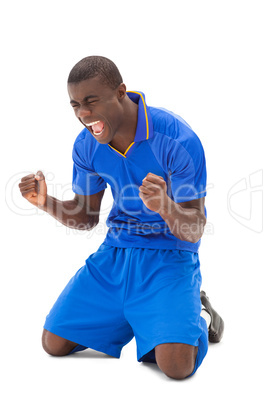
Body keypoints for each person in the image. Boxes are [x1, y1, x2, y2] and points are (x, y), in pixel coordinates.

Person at [19, 56, 224, 380]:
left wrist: (166, 206)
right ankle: (141, 315)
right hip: (115, 254)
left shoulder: (176, 139)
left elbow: (194, 229)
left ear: (120, 92)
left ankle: (196, 309)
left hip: (170, 257)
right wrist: (46, 203)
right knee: (54, 344)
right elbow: (85, 217)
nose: (83, 114)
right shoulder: (87, 145)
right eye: (75, 105)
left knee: (175, 367)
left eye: (91, 101)